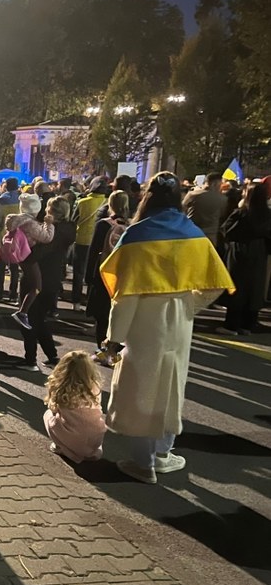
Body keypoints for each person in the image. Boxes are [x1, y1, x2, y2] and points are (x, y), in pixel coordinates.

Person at [98, 172, 233, 484]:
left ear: (148, 196)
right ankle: (163, 454)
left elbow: (125, 297)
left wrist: (112, 341)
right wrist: (189, 305)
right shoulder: (193, 233)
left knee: (140, 388)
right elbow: (215, 284)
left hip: (143, 320)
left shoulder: (135, 236)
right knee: (172, 384)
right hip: (179, 319)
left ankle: (143, 462)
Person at [18, 197, 76, 370]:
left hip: (37, 277)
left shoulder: (52, 233)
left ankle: (30, 359)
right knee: (39, 318)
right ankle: (51, 355)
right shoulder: (69, 229)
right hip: (53, 278)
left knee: (27, 317)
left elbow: (36, 255)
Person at [218, 182, 271, 335]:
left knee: (237, 285)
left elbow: (226, 231)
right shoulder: (267, 214)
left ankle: (232, 324)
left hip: (240, 251)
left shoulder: (241, 213)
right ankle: (249, 323)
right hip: (259, 252)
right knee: (254, 286)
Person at [86, 191, 131, 357]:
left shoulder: (104, 224)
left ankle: (102, 349)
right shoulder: (131, 225)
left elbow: (94, 251)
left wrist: (88, 275)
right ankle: (116, 347)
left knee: (101, 314)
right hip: (122, 274)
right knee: (117, 311)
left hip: (104, 272)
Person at [43, 351, 106, 463]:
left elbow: (53, 409)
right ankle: (87, 450)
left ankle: (63, 447)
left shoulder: (61, 387)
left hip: (74, 436)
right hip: (95, 436)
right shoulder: (94, 386)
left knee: (48, 415)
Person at [5, 193, 54, 329]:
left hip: (20, 254)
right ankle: (23, 312)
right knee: (37, 287)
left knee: (30, 282)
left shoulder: (15, 220)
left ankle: (23, 311)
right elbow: (46, 237)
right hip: (29, 257)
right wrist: (48, 224)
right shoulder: (30, 224)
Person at [71, 177, 109, 308]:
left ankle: (76, 301)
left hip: (81, 239)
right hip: (99, 242)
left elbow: (73, 220)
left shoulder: (82, 202)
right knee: (93, 272)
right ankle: (89, 301)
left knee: (78, 272)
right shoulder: (108, 202)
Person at [182, 172, 226, 246]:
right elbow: (222, 215)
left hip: (191, 233)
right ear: (214, 184)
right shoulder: (223, 199)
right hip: (210, 237)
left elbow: (182, 209)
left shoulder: (192, 195)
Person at [0, 178, 21, 304]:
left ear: (6, 186)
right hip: (16, 236)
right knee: (14, 268)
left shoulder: (0, 200)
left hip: (3, 236)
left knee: (0, 267)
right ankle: (13, 294)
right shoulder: (22, 200)